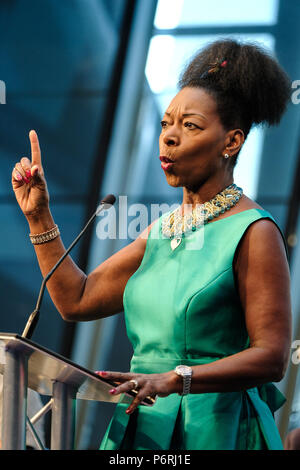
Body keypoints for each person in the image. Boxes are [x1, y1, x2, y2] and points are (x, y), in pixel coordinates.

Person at [11, 38, 292, 450]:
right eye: (165, 124)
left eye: (190, 126)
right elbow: (77, 299)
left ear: (231, 143)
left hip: (218, 430)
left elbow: (273, 356)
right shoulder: (161, 232)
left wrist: (178, 379)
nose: (169, 138)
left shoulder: (253, 231)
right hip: (145, 429)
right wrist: (39, 215)